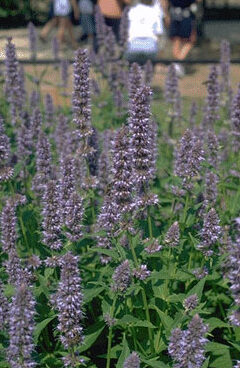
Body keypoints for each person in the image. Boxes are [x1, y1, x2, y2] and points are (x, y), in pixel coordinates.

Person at [162, 0, 202, 76]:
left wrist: (166, 14)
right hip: (186, 15)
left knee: (176, 40)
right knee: (190, 40)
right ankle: (178, 62)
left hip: (174, 14)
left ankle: (176, 64)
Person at [126, 0, 165, 64]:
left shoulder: (131, 10)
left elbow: (126, 31)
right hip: (150, 48)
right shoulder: (157, 11)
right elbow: (159, 33)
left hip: (133, 48)